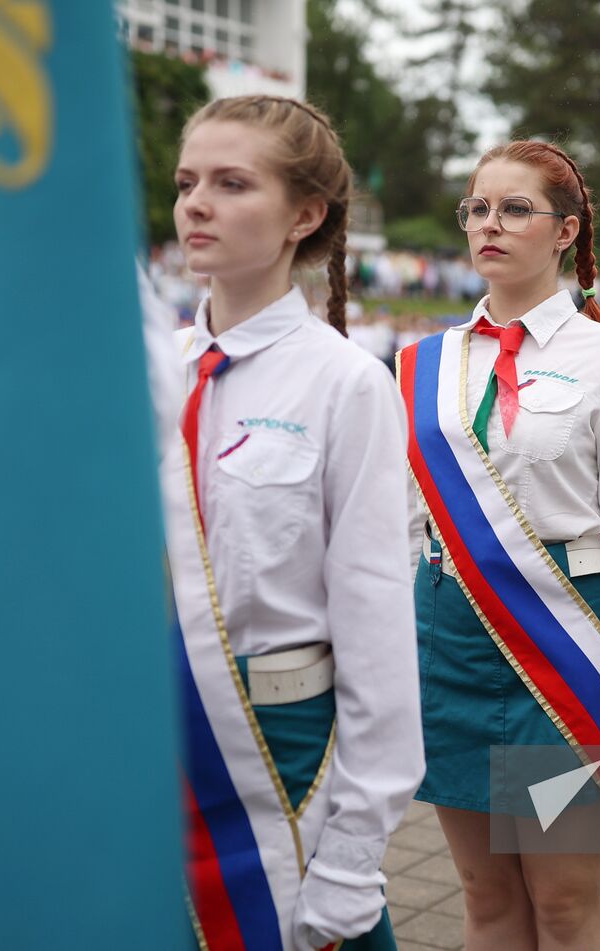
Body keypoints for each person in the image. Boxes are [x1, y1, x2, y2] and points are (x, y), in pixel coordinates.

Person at [149, 95, 424, 951]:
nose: (196, 202)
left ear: (306, 214)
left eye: (233, 183)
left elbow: (375, 622)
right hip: (150, 738)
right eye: (188, 181)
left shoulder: (344, 382)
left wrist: (354, 849)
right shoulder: (153, 370)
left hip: (278, 748)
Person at [399, 140, 600, 950]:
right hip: (449, 642)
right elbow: (406, 523)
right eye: (478, 208)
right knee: (484, 899)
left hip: (558, 643)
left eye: (514, 209)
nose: (490, 224)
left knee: (563, 904)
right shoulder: (422, 363)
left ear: (566, 232)